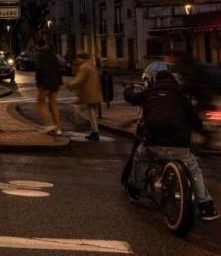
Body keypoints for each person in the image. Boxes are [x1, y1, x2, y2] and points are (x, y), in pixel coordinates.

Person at [124, 70, 219, 221]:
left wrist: (128, 90)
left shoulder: (149, 93)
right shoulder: (182, 97)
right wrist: (203, 132)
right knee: (194, 170)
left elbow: (132, 98)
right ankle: (206, 207)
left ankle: (134, 190)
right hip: (179, 146)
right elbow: (196, 122)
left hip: (153, 144)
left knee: (140, 158)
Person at [65, 52, 103, 141]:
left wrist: (69, 85)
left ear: (82, 58)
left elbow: (78, 80)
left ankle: (94, 132)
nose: (77, 60)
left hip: (89, 94)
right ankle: (94, 132)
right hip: (94, 93)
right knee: (92, 113)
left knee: (89, 113)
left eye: (78, 58)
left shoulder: (84, 67)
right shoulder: (91, 66)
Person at [34, 38, 63, 135]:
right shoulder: (52, 53)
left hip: (44, 84)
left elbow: (38, 69)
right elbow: (57, 69)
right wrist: (59, 82)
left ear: (37, 45)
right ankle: (58, 128)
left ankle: (48, 125)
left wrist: (39, 83)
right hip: (54, 83)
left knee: (40, 104)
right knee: (54, 105)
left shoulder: (39, 54)